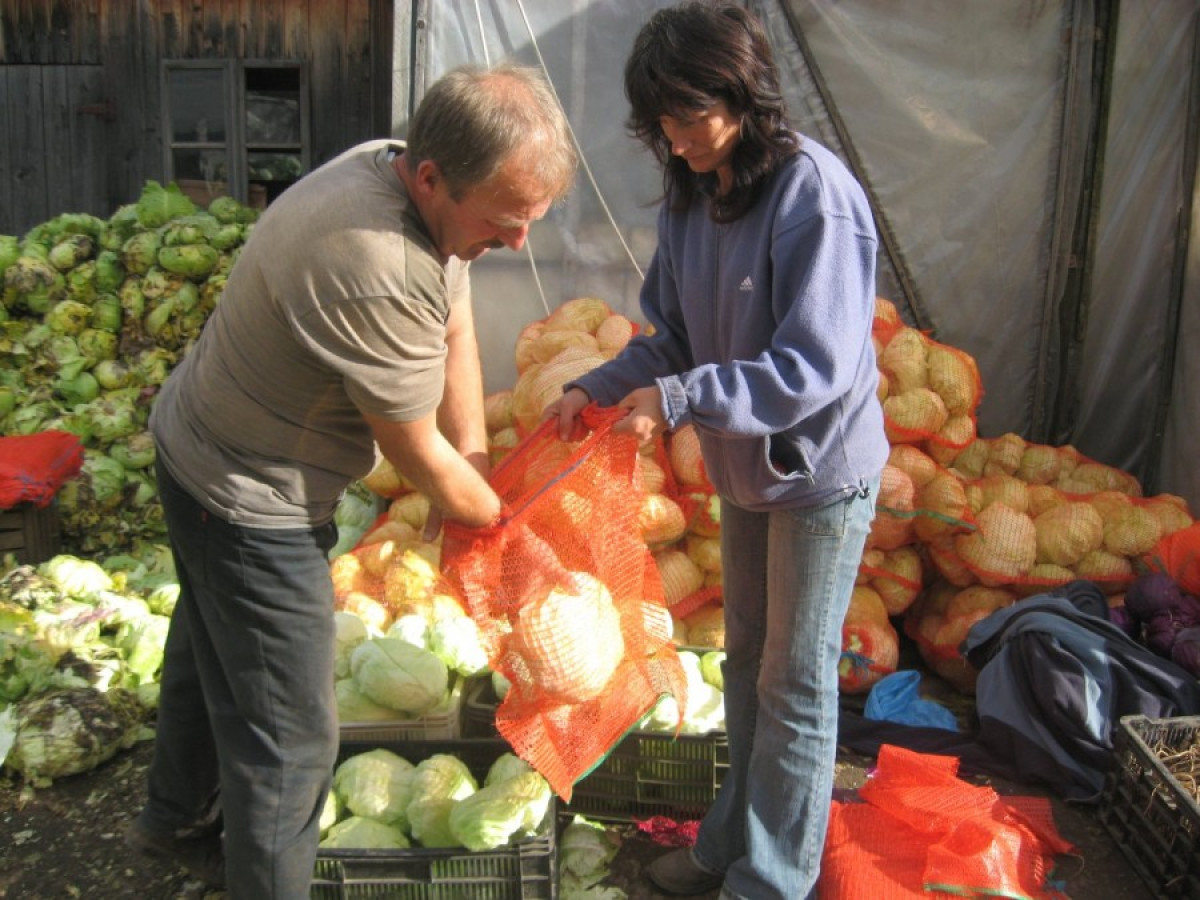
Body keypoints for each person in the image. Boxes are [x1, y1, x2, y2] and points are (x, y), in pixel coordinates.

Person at [125, 63, 577, 898]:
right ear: (435, 178)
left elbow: (455, 322)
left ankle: (173, 816)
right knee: (292, 740)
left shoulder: (401, 169)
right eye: (505, 222)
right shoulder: (374, 259)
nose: (519, 242)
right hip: (246, 496)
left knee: (205, 643)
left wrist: (479, 462)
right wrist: (500, 524)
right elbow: (416, 455)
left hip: (197, 442)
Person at [545, 4, 886, 898]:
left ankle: (773, 879)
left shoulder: (813, 194)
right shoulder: (695, 192)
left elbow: (811, 367)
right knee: (745, 664)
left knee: (797, 682)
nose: (676, 137)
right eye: (661, 121)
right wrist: (603, 385)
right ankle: (731, 840)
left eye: (691, 114)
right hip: (746, 472)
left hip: (816, 472)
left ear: (744, 94)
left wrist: (684, 398)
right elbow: (675, 337)